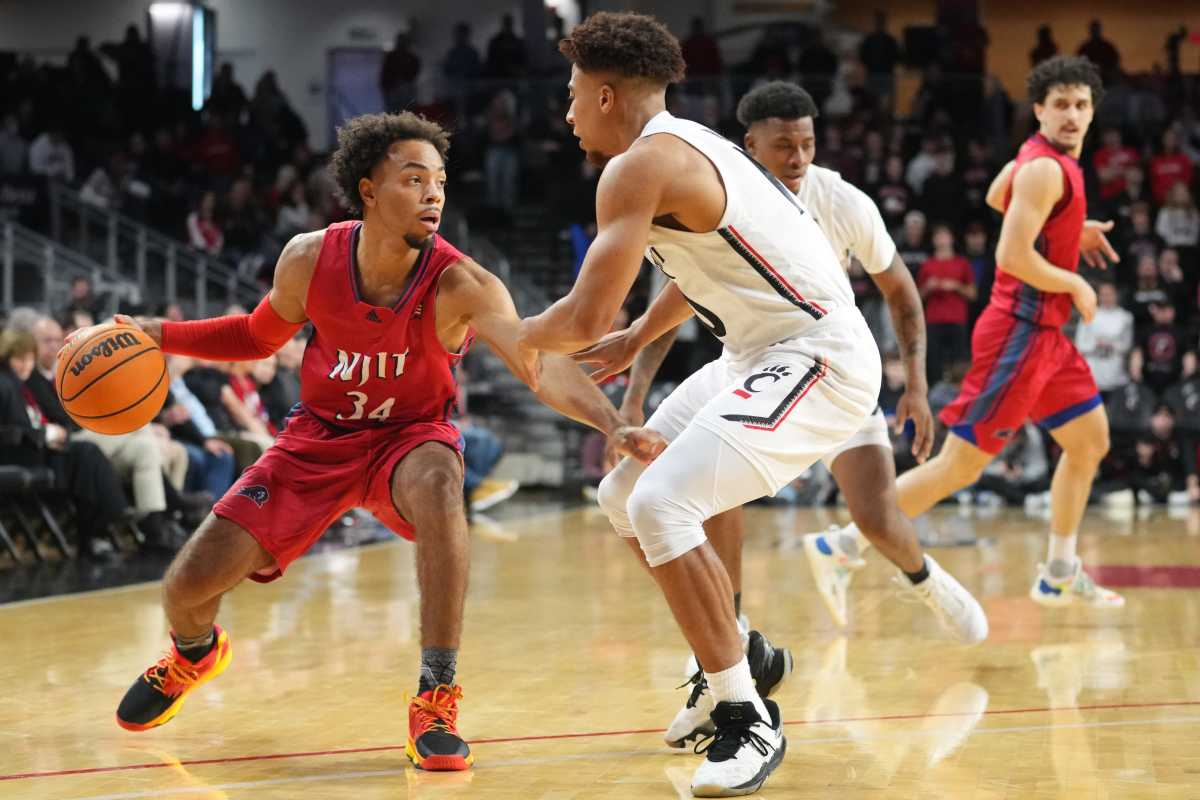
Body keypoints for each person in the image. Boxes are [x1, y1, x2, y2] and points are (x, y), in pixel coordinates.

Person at [94, 111, 665, 772]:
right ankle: (194, 653)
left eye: (441, 182)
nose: (433, 195)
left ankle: (436, 695)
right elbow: (255, 337)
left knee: (441, 481)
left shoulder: (463, 284)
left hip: (408, 438)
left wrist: (610, 422)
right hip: (315, 439)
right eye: (414, 179)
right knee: (184, 587)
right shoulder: (309, 258)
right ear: (368, 190)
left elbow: (540, 363)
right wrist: (158, 334)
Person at [517, 15, 937, 796]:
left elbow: (578, 321)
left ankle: (749, 714)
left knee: (665, 501)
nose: (568, 112)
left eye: (573, 96)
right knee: (625, 494)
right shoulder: (695, 145)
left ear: (607, 95)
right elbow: (712, 261)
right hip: (757, 351)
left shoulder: (637, 169)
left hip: (820, 355)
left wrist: (499, 329)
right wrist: (644, 329)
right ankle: (741, 655)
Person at [602, 80, 985, 654]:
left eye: (807, 143)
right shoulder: (717, 185)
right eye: (784, 146)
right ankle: (731, 631)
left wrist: (919, 388)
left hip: (828, 366)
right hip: (755, 366)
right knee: (694, 493)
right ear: (750, 145)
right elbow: (681, 290)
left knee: (877, 514)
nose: (799, 158)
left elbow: (902, 294)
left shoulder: (843, 201)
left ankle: (923, 580)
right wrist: (634, 385)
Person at [833, 56, 1126, 608]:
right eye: (1059, 104)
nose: (1071, 114)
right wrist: (1076, 283)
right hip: (1019, 331)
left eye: (1081, 105)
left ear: (1092, 113)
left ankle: (1059, 571)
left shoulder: (1041, 163)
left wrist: (1066, 226)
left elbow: (999, 198)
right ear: (1038, 109)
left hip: (1046, 337)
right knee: (961, 466)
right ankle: (843, 544)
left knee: (1089, 443)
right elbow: (1011, 255)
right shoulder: (1043, 168)